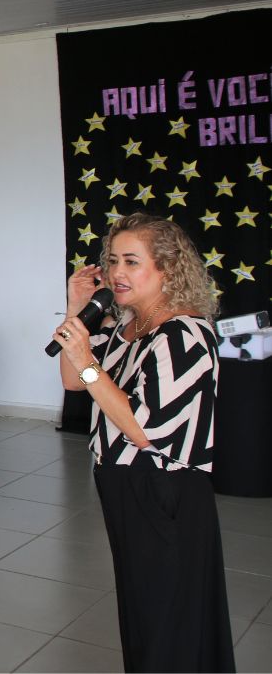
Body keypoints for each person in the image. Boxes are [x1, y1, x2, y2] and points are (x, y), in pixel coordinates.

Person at [53, 213, 233, 672]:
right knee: (143, 612)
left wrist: (87, 361)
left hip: (162, 493)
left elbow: (144, 429)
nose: (116, 273)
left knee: (168, 618)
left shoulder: (185, 334)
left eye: (132, 262)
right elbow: (76, 383)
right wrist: (76, 310)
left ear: (168, 269)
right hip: (123, 487)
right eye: (113, 260)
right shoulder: (130, 326)